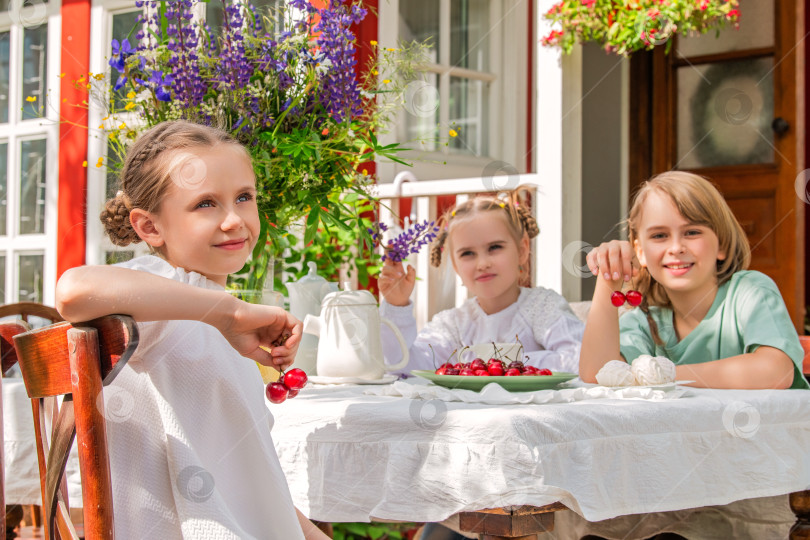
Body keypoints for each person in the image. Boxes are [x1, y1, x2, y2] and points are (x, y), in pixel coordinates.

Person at [55, 120, 330, 539]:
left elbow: (252, 485)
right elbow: (74, 290)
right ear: (149, 227)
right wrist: (228, 313)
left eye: (244, 197)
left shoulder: (204, 309)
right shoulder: (165, 293)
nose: (234, 220)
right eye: (206, 204)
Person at [580, 170, 809, 390]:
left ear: (722, 244)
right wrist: (609, 278)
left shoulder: (750, 291)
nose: (676, 248)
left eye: (692, 232)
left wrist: (665, 375)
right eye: (659, 236)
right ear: (640, 252)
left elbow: (776, 371)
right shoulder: (644, 320)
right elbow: (598, 374)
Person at [379, 191, 584, 374]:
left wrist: (486, 364)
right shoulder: (454, 324)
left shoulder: (542, 307)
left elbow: (578, 359)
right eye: (468, 253)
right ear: (457, 267)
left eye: (494, 247)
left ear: (522, 250)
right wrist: (397, 307)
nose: (483, 263)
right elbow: (404, 366)